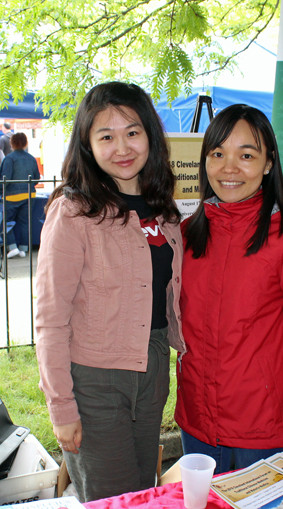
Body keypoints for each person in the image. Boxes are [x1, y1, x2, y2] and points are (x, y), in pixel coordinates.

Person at [35, 82, 185, 502]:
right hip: (95, 379)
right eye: (106, 136)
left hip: (153, 367)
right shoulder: (74, 211)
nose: (122, 147)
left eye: (132, 132)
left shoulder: (163, 209)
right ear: (88, 144)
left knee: (143, 491)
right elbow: (50, 318)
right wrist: (62, 407)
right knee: (111, 498)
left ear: (150, 137)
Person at [175, 104, 283, 474]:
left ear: (267, 163)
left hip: (266, 429)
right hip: (197, 422)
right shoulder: (188, 234)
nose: (229, 168)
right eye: (218, 154)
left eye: (246, 155)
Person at [0, 132, 40, 258]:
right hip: (29, 195)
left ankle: (12, 247)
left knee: (5, 222)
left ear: (11, 143)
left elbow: (5, 179)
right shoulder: (31, 158)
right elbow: (37, 178)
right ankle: (23, 249)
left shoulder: (9, 159)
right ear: (25, 143)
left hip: (11, 196)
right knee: (25, 223)